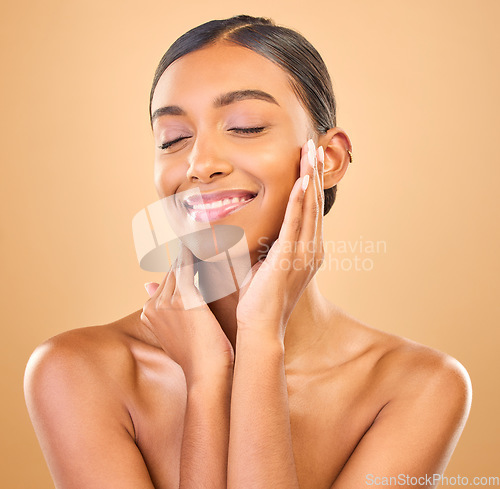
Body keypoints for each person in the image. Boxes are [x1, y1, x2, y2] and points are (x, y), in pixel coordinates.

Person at [24, 14, 472, 489]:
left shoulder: (418, 386)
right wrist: (206, 380)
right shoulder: (77, 372)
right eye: (172, 139)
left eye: (246, 126)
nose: (199, 164)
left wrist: (259, 342)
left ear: (329, 159)